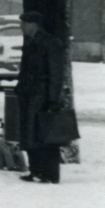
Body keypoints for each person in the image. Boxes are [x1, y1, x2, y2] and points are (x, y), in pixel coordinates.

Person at [14, 11, 76, 184]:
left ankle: (50, 173)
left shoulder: (51, 43)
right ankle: (35, 171)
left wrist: (53, 100)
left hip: (42, 95)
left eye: (23, 24)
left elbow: (56, 74)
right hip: (28, 94)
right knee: (30, 135)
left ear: (33, 25)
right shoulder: (30, 42)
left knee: (47, 136)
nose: (21, 27)